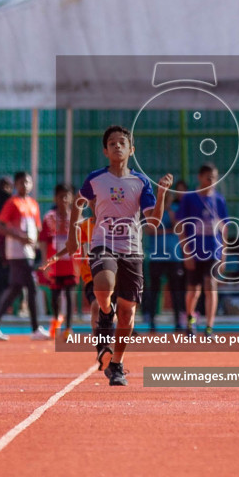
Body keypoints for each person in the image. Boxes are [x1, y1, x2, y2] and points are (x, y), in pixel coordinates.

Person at [65, 126, 174, 387]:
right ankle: (105, 312)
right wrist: (71, 233)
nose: (117, 146)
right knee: (103, 287)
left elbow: (153, 222)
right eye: (112, 143)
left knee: (126, 313)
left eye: (122, 143)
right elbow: (79, 204)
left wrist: (161, 194)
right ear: (105, 150)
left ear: (131, 150)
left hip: (133, 249)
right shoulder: (95, 179)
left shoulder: (141, 182)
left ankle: (116, 365)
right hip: (103, 242)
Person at [0, 171, 49, 341]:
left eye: (27, 182)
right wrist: (20, 237)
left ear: (31, 184)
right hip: (17, 252)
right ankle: (35, 328)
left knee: (16, 288)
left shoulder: (33, 204)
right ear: (15, 185)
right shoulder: (12, 203)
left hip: (29, 252)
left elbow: (37, 227)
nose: (24, 185)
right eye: (20, 182)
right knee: (31, 287)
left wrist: (38, 245)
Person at [178, 163, 230, 339]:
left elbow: (224, 228)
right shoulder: (190, 199)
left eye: (214, 177)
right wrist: (186, 252)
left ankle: (209, 327)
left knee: (211, 286)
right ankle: (191, 319)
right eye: (208, 177)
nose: (211, 181)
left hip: (213, 251)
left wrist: (224, 254)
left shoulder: (219, 200)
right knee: (194, 290)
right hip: (194, 251)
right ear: (200, 177)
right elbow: (181, 227)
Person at [142, 179, 189, 334]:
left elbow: (178, 227)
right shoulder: (152, 210)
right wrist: (165, 230)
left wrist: (169, 211)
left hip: (174, 257)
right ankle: (152, 322)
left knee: (176, 291)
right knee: (154, 291)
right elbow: (149, 230)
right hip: (156, 257)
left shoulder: (175, 209)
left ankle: (178, 322)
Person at [40, 183, 79, 338]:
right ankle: (56, 320)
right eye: (61, 196)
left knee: (70, 296)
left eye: (66, 196)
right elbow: (43, 240)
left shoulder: (76, 217)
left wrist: (83, 261)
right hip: (55, 263)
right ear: (55, 198)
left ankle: (69, 327)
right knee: (55, 295)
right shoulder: (49, 217)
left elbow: (82, 240)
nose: (63, 199)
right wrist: (45, 261)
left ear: (71, 198)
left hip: (71, 263)